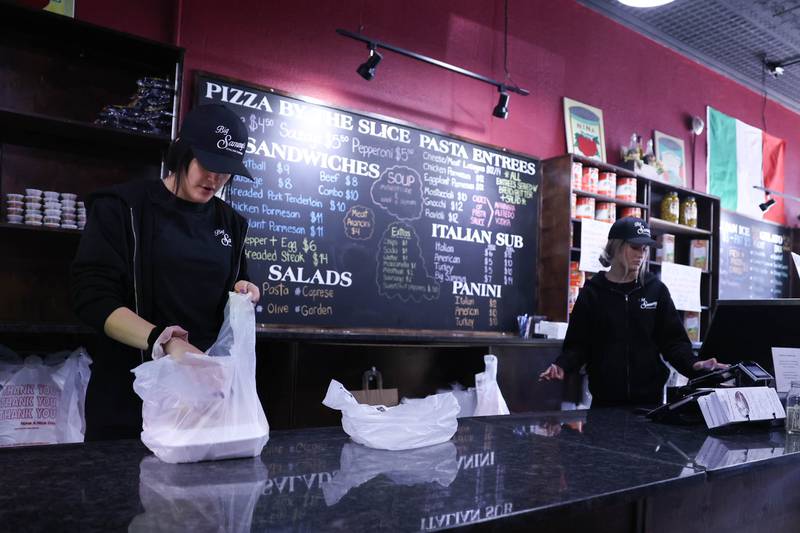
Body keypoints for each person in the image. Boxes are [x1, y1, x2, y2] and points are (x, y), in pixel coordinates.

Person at [70, 104, 260, 439]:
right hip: (128, 395)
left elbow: (234, 282)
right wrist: (167, 341)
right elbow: (91, 297)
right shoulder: (122, 207)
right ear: (182, 151)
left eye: (226, 170)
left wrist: (244, 290)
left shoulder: (232, 224)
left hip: (201, 398)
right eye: (208, 165)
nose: (215, 179)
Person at [538, 217, 726, 407]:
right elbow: (578, 345)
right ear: (616, 247)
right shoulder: (593, 292)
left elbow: (673, 342)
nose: (641, 255)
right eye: (635, 247)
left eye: (644, 249)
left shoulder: (656, 290)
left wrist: (694, 364)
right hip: (604, 405)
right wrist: (562, 365)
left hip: (649, 404)